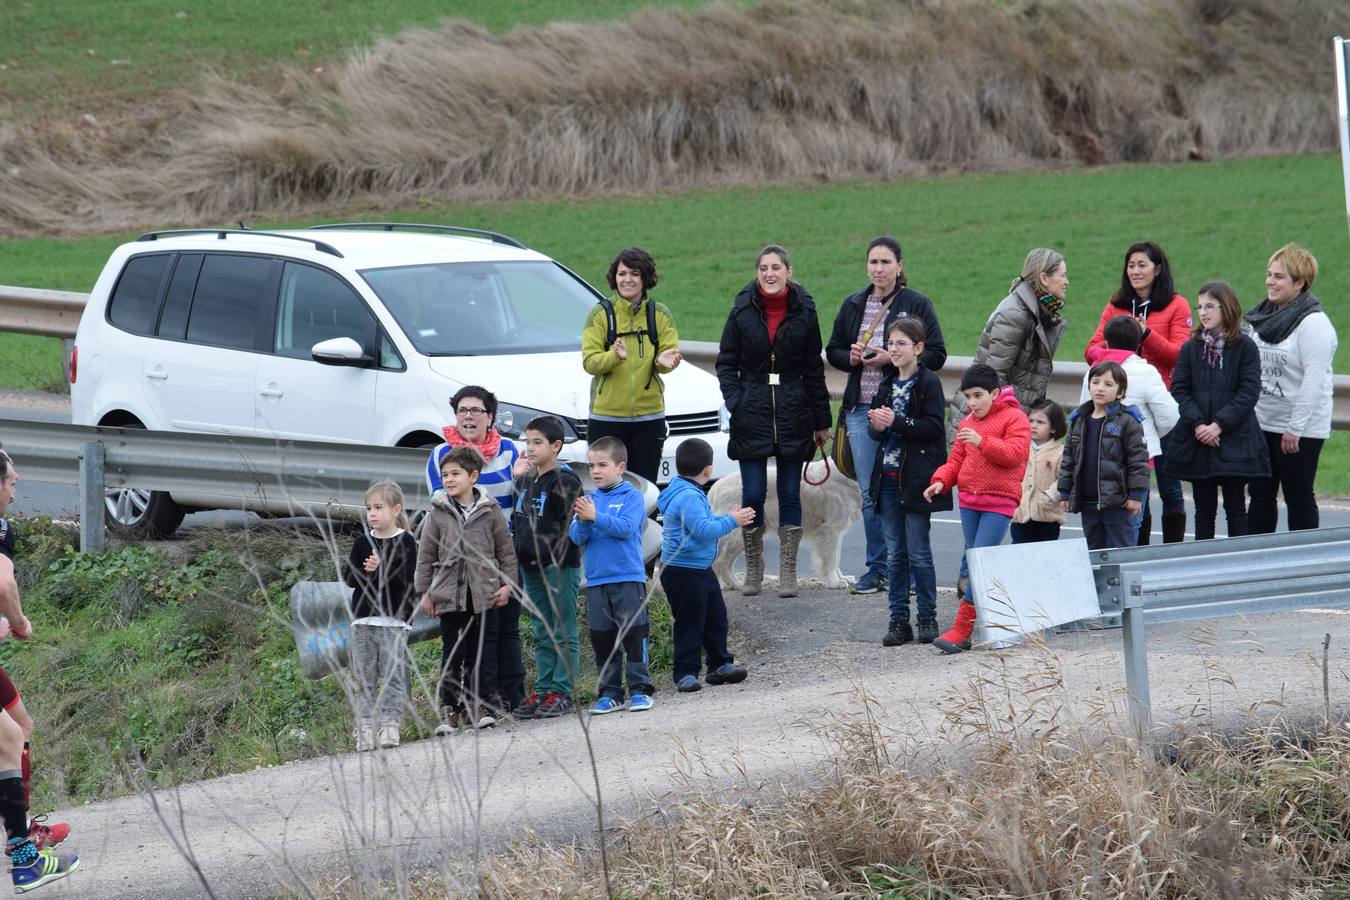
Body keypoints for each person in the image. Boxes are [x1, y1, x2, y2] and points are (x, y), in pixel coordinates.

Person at [826, 236, 946, 596]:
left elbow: (937, 353)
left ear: (899, 266)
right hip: (862, 409)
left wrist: (890, 358)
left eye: (885, 262)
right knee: (870, 493)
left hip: (904, 407)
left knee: (904, 490)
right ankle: (878, 568)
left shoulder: (916, 303)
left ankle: (905, 570)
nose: (878, 269)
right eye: (873, 262)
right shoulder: (854, 303)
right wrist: (849, 357)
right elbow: (832, 349)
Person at [715, 244, 832, 598]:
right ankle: (753, 569)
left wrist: (821, 419)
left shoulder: (805, 311)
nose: (769, 274)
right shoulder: (741, 310)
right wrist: (738, 400)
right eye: (763, 268)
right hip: (752, 409)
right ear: (757, 273)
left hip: (794, 407)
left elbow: (814, 367)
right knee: (752, 493)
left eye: (776, 267)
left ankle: (787, 573)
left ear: (788, 271)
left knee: (789, 493)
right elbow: (726, 362)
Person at [0, 452, 78, 892]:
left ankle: (23, 841)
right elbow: (4, 584)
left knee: (15, 731)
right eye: (10, 478)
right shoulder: (0, 527)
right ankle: (25, 858)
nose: (17, 483)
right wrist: (20, 623)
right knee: (10, 737)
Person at [1085, 241, 1192, 543]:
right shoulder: (1116, 305)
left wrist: (1145, 334)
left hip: (1159, 405)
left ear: (1158, 269)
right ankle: (1138, 547)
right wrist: (1120, 342)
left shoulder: (1176, 305)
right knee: (1133, 483)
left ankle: (1172, 552)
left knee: (1169, 484)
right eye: (1131, 265)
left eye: (1142, 265)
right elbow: (1091, 349)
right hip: (1120, 405)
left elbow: (1179, 356)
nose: (1135, 271)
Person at [922, 365, 1030, 654]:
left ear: (995, 393)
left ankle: (962, 628)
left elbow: (1014, 455)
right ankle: (1000, 621)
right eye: (967, 396)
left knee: (980, 561)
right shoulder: (967, 421)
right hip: (969, 501)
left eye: (978, 396)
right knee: (978, 561)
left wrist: (983, 442)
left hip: (1000, 501)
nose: (971, 403)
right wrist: (941, 480)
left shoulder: (1016, 418)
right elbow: (956, 460)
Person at [416, 447, 518, 732]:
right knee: (453, 654)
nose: (448, 480)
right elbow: (425, 555)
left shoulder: (490, 510)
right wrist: (425, 592)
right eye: (444, 475)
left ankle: (478, 705)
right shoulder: (437, 512)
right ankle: (449, 709)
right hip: (450, 597)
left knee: (482, 654)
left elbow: (506, 551)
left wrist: (508, 584)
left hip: (485, 595)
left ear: (473, 476)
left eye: (455, 474)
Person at [865, 317, 949, 647]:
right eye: (891, 344)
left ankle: (927, 616)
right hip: (886, 479)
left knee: (919, 553)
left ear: (918, 348)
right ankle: (898, 620)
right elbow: (876, 429)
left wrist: (896, 422)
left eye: (901, 343)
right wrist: (878, 424)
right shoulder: (885, 383)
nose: (894, 350)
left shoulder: (928, 383)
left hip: (915, 480)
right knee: (895, 554)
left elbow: (933, 427)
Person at [1245, 244, 1338, 533]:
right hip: (1263, 423)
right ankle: (1257, 559)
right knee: (1260, 494)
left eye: (1279, 277)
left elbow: (1313, 380)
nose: (1270, 282)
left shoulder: (1315, 325)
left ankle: (1303, 560)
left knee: (1298, 495)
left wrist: (1294, 429)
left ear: (1300, 283)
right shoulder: (1261, 318)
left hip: (1300, 429)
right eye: (1269, 274)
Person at [1166, 283, 1269, 540]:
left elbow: (1248, 392)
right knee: (1203, 510)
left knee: (1235, 508)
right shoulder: (1191, 347)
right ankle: (1204, 566)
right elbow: (1179, 389)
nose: (1203, 312)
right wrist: (1200, 425)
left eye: (1210, 306)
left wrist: (1219, 425)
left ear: (1227, 308)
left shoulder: (1245, 347)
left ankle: (1238, 566)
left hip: (1234, 438)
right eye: (1199, 306)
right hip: (1199, 438)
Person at [657, 438, 755, 692]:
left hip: (700, 568)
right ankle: (685, 672)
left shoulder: (687, 492)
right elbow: (702, 530)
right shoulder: (688, 496)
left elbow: (706, 520)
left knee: (716, 618)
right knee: (690, 622)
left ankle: (719, 664)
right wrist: (732, 521)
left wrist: (726, 517)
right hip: (683, 571)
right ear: (708, 470)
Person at [581, 247, 683, 484]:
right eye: (622, 273)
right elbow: (589, 362)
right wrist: (614, 357)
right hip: (606, 418)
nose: (627, 279)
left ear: (645, 278)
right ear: (614, 277)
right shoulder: (599, 314)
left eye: (634, 274)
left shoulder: (660, 314)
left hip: (649, 418)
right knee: (606, 487)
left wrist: (663, 363)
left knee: (645, 488)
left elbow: (668, 356)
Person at [567, 437, 654, 714]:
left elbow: (627, 528)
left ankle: (640, 690)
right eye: (592, 465)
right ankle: (610, 692)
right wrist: (582, 519)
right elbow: (576, 537)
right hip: (596, 581)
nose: (595, 471)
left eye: (602, 465)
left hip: (627, 577)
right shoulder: (589, 499)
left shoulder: (631, 496)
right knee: (603, 638)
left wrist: (596, 517)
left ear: (620, 467)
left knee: (633, 634)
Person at [1079, 316, 1179, 543]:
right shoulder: (1146, 372)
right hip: (1136, 458)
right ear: (1139, 343)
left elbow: (1083, 414)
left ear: (1106, 341)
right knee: (1128, 526)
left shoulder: (1093, 373)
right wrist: (1150, 434)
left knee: (1096, 530)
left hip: (1097, 458)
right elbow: (1170, 414)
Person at [510, 416, 584, 720]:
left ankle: (562, 689)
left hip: (557, 565)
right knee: (541, 629)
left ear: (556, 446)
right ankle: (543, 689)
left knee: (562, 627)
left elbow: (569, 526)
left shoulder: (565, 481)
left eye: (537, 442)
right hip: (530, 566)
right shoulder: (526, 480)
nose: (530, 448)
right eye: (527, 442)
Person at [949, 248, 1068, 435]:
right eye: (1062, 275)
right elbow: (994, 376)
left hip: (1005, 420)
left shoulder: (1039, 313)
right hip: (989, 425)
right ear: (1044, 278)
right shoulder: (1016, 314)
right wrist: (1000, 430)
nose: (1066, 282)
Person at [343, 481, 418, 751]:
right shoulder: (363, 542)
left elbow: (407, 581)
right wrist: (368, 571)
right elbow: (350, 579)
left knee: (392, 674)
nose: (372, 513)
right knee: (364, 676)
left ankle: (390, 725)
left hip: (395, 620)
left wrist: (382, 566)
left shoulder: (406, 541)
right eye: (368, 508)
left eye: (378, 507)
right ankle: (364, 726)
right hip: (364, 620)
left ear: (396, 509)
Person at [1058, 361, 1150, 550]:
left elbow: (1138, 462)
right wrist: (1065, 492)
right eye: (1096, 382)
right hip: (1088, 501)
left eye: (1108, 384)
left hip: (1118, 503)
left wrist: (1136, 495)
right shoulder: (1079, 419)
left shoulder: (1127, 421)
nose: (1100, 388)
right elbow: (1068, 460)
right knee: (1094, 551)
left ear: (1120, 392)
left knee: (1121, 551)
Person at [426, 385, 521, 514]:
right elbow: (440, 503)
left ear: (490, 417)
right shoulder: (441, 453)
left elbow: (523, 500)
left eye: (476, 410)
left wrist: (521, 478)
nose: (468, 416)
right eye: (462, 410)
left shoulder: (507, 449)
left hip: (502, 532)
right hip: (459, 532)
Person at [1010, 399, 1067, 545]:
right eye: (1031, 420)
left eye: (1040, 422)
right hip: (1020, 515)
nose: (1033, 426)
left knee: (1043, 559)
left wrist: (1049, 498)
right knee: (1020, 555)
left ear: (1053, 428)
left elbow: (1065, 478)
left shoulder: (1060, 452)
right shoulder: (1020, 447)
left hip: (1047, 518)